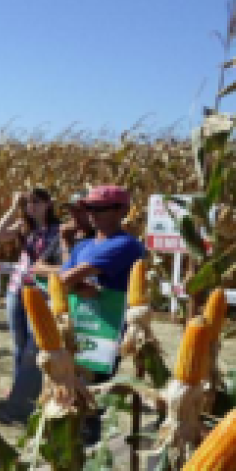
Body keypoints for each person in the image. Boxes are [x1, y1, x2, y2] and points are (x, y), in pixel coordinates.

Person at [61, 185, 145, 443]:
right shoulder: (83, 245)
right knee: (69, 398)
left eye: (99, 208)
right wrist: (70, 281)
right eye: (88, 208)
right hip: (78, 328)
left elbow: (63, 279)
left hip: (104, 335)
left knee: (91, 403)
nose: (91, 213)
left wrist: (69, 281)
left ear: (121, 210)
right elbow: (60, 281)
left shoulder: (126, 245)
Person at [0, 189, 63, 419]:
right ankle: (19, 394)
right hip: (16, 290)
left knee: (35, 349)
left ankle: (32, 398)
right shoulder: (24, 227)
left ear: (48, 204)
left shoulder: (59, 230)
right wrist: (14, 208)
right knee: (19, 346)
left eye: (37, 202)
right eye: (28, 202)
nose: (31, 206)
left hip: (41, 293)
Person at [60, 190, 94, 261]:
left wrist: (66, 240)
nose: (74, 214)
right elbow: (36, 266)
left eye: (79, 210)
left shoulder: (98, 239)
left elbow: (70, 269)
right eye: (71, 210)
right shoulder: (65, 232)